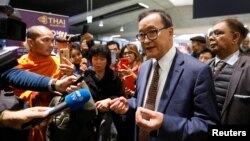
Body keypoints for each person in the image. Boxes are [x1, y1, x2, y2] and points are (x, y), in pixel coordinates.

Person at [109, 9, 220, 141]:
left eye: (152, 32)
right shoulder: (144, 67)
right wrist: (129, 105)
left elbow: (208, 126)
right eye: (142, 35)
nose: (145, 40)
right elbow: (143, 101)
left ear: (170, 32)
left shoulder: (197, 71)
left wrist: (165, 123)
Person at [207, 18, 250, 124]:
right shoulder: (202, 66)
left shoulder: (248, 68)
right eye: (210, 34)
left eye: (217, 33)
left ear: (235, 37)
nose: (211, 38)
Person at [83, 45, 125, 141]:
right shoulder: (85, 77)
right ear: (91, 60)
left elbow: (121, 97)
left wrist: (110, 100)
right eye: (95, 58)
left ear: (107, 61)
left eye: (102, 59)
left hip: (112, 120)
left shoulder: (115, 77)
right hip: (90, 121)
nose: (98, 62)